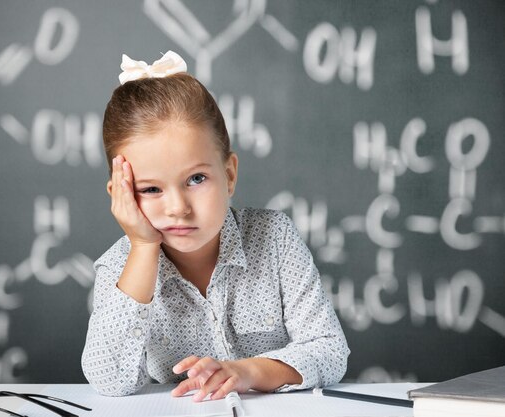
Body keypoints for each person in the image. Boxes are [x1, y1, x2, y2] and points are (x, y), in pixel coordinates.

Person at [81, 51, 349, 401]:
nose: (178, 208)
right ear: (121, 196)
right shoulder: (119, 269)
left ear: (229, 174)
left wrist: (245, 372)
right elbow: (107, 380)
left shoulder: (274, 238)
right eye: (150, 189)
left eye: (196, 179)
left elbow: (330, 351)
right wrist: (145, 248)